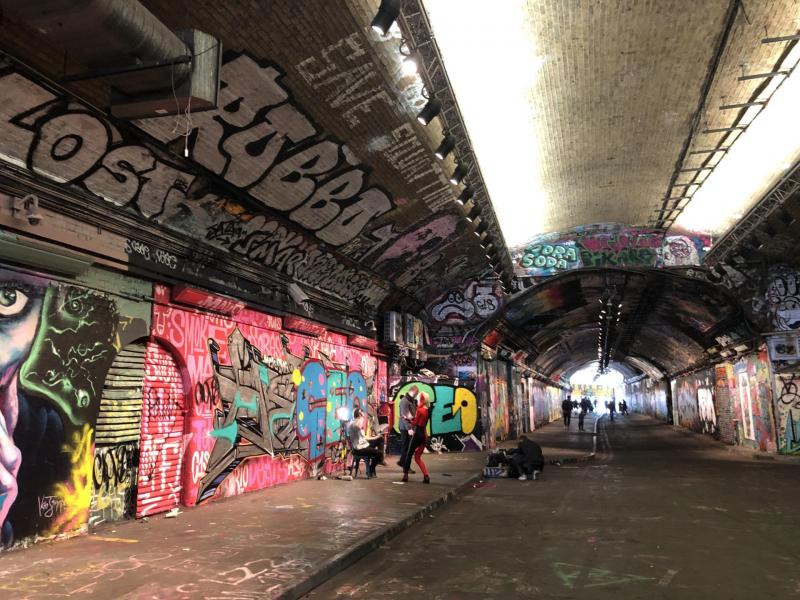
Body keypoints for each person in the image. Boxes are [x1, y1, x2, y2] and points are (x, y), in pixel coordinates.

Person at [401, 393, 431, 483]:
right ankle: (426, 476)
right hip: (424, 435)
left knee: (409, 454)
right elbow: (420, 421)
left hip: (418, 434)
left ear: (422, 399)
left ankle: (405, 475)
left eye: (419, 398)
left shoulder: (420, 410)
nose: (417, 400)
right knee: (417, 457)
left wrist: (407, 419)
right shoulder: (427, 410)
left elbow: (415, 424)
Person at [347, 407, 385, 477]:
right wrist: (362, 418)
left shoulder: (357, 423)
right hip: (359, 449)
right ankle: (372, 468)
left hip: (364, 444)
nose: (363, 414)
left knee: (381, 439)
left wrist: (376, 437)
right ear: (358, 415)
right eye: (361, 413)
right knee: (379, 453)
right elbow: (358, 427)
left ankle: (380, 459)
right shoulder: (354, 424)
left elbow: (364, 437)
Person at [395, 391, 416, 474]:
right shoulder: (404, 401)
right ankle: (405, 466)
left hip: (407, 427)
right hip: (405, 428)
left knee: (406, 447)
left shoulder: (410, 400)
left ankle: (402, 462)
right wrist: (409, 428)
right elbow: (404, 417)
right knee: (407, 448)